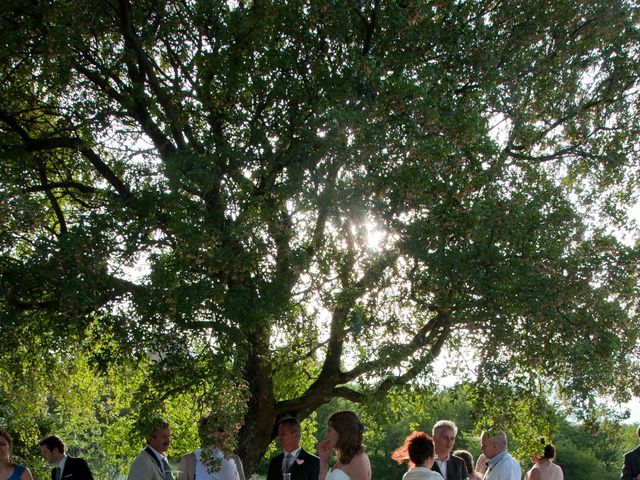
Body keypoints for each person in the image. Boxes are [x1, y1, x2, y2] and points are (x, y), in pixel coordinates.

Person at [176, 415, 245, 480]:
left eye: (224, 430)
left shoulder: (235, 459)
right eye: (220, 430)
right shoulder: (189, 460)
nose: (225, 434)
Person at [317, 410, 371, 480]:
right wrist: (323, 461)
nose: (327, 434)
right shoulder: (345, 459)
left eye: (329, 430)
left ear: (342, 433)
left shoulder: (358, 460)